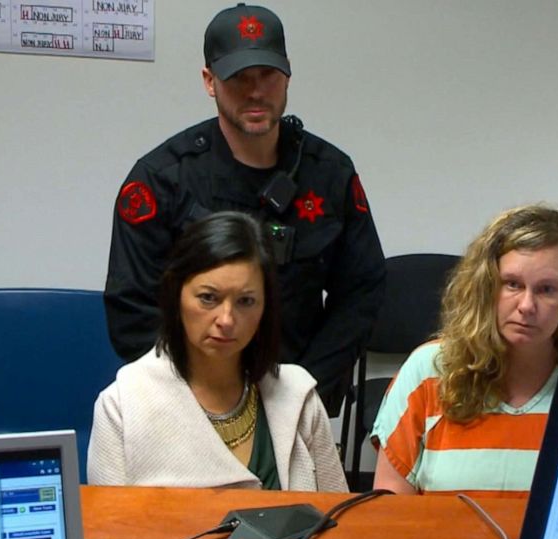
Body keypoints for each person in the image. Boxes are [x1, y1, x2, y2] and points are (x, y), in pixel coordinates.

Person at [104, 3, 385, 416]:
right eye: (238, 77)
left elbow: (362, 292)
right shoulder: (162, 180)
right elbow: (131, 309)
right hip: (188, 405)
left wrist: (305, 390)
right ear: (209, 81)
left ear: (288, 73)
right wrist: (193, 397)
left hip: (296, 396)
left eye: (268, 75)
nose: (255, 91)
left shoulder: (330, 174)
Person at [371, 204, 558, 498]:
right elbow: (389, 511)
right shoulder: (427, 371)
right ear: (486, 287)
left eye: (547, 289)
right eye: (512, 284)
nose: (526, 306)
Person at [89, 212, 348, 492]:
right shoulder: (124, 404)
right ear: (176, 296)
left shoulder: (298, 396)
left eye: (246, 301)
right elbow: (110, 531)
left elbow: (341, 523)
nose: (226, 319)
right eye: (208, 298)